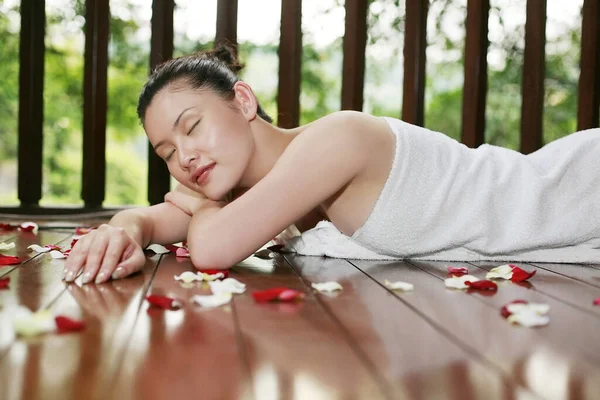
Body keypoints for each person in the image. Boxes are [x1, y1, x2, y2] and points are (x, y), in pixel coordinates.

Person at [64, 45, 600, 285]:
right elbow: (165, 219)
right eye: (165, 153)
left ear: (244, 101)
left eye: (192, 126)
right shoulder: (245, 198)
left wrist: (201, 209)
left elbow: (210, 246)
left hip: (576, 187)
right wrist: (126, 227)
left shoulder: (336, 139)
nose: (183, 157)